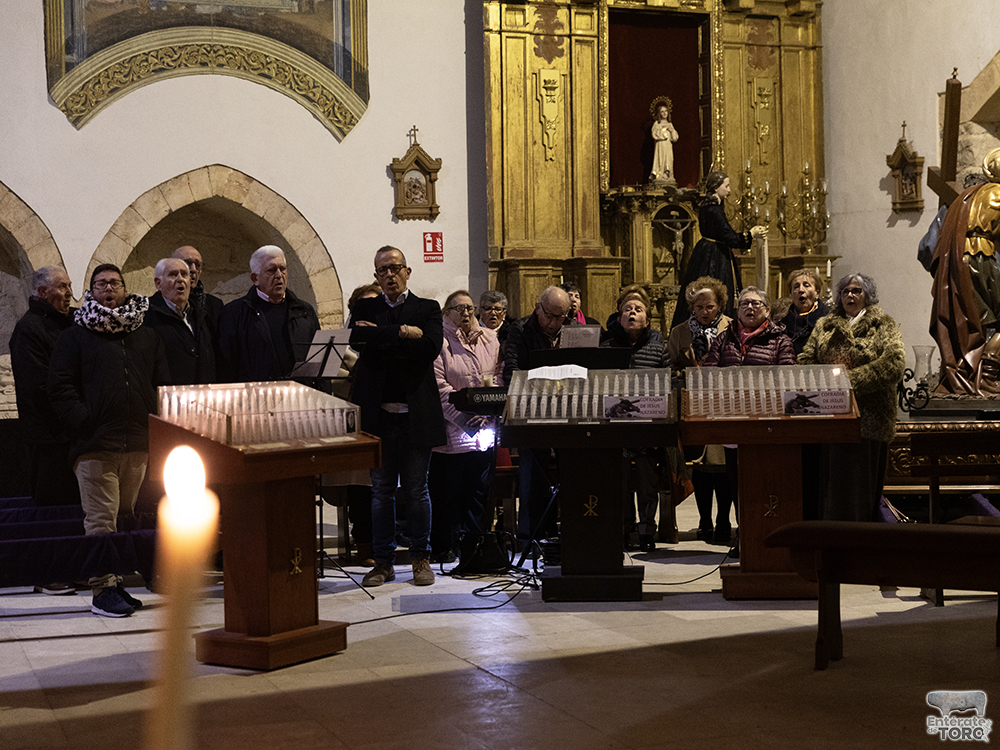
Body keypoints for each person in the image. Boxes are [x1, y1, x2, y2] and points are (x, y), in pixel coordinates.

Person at [48, 264, 169, 617]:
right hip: (95, 445)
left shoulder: (146, 335)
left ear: (126, 289)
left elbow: (160, 384)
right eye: (100, 284)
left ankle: (118, 583)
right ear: (91, 292)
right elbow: (60, 387)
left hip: (137, 443)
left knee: (125, 516)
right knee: (101, 520)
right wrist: (84, 421)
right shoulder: (75, 336)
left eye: (114, 283)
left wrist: (153, 422)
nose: (108, 289)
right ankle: (103, 590)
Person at [349, 246, 446, 587]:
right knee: (381, 492)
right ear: (376, 276)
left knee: (418, 490)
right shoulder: (365, 306)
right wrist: (404, 333)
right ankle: (383, 562)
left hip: (414, 413)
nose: (389, 275)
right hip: (379, 415)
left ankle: (421, 558)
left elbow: (430, 347)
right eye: (382, 271)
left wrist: (382, 338)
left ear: (408, 272)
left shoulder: (428, 308)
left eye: (395, 268)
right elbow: (359, 340)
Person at [799, 273, 905, 522]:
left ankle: (859, 544)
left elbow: (894, 363)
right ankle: (831, 543)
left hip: (870, 418)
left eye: (856, 290)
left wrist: (847, 381)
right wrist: (827, 381)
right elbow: (805, 360)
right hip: (830, 416)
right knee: (832, 489)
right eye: (845, 291)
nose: (850, 295)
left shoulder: (884, 324)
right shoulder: (825, 324)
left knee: (860, 491)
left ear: (867, 295)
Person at [703, 286, 795, 546]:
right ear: (737, 309)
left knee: (765, 486)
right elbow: (709, 373)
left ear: (766, 310)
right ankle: (745, 536)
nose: (750, 308)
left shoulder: (780, 339)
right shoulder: (724, 339)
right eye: (745, 303)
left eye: (756, 303)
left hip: (768, 424)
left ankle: (769, 538)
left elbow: (789, 376)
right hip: (735, 422)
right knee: (738, 486)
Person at [429, 290, 501, 563]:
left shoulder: (490, 339)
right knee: (447, 495)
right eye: (459, 309)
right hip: (450, 435)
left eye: (470, 309)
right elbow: (440, 387)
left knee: (478, 492)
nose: (467, 314)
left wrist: (489, 414)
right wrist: (464, 419)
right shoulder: (440, 341)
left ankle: (476, 544)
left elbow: (498, 376)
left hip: (483, 432)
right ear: (446, 313)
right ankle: (445, 547)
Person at [601, 285, 669, 552]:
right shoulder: (606, 347)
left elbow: (668, 381)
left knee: (646, 482)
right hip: (614, 426)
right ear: (619, 317)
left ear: (647, 320)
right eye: (627, 309)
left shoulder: (657, 348)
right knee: (618, 482)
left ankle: (646, 531)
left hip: (646, 427)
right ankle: (622, 528)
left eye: (638, 310)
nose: (632, 313)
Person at [666, 277, 733, 542]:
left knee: (722, 464)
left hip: (723, 403)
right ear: (691, 307)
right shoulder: (680, 331)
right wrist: (687, 373)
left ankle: (724, 521)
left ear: (719, 306)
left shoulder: (731, 327)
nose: (704, 312)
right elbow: (669, 367)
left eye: (710, 307)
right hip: (692, 404)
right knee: (701, 466)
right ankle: (704, 521)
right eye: (698, 307)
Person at [502, 286, 571, 541]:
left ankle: (567, 533)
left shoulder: (572, 331)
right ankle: (530, 537)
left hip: (569, 412)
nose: (554, 323)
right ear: (537, 307)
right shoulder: (520, 330)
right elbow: (512, 371)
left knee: (572, 471)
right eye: (549, 315)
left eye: (560, 317)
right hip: (533, 411)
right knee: (533, 474)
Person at [929, 148, 1000, 393]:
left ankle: (967, 373)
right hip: (984, 257)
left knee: (967, 319)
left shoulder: (967, 197)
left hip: (956, 261)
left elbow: (928, 247)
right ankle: (987, 378)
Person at [672, 171, 766, 328]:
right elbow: (729, 236)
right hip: (715, 257)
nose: (729, 191)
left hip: (707, 252)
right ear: (716, 188)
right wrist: (751, 233)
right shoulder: (714, 210)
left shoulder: (707, 207)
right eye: (726, 186)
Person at [217, 245, 320, 382]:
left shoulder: (305, 311)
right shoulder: (234, 313)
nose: (279, 275)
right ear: (255, 279)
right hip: (256, 396)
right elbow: (227, 366)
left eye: (283, 269)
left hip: (300, 395)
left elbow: (320, 362)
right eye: (271, 270)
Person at [145, 257, 216, 384]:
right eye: (173, 274)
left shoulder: (201, 314)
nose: (180, 279)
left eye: (184, 274)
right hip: (167, 397)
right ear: (158, 283)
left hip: (202, 396)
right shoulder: (147, 315)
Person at [172, 245, 224, 336]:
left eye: (198, 265)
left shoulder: (214, 306)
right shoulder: (154, 305)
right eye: (187, 264)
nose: (193, 269)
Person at [781, 269, 829, 356]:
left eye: (806, 286)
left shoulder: (829, 321)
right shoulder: (782, 325)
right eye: (796, 287)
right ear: (791, 294)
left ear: (816, 292)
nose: (801, 290)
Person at [650, 103, 679, 184]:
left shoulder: (670, 124)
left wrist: (671, 131)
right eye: (662, 111)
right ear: (659, 113)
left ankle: (667, 172)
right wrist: (663, 131)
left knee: (668, 159)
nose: (664, 113)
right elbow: (654, 134)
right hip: (660, 146)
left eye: (666, 111)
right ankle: (660, 174)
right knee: (660, 159)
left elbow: (675, 137)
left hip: (668, 146)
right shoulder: (657, 124)